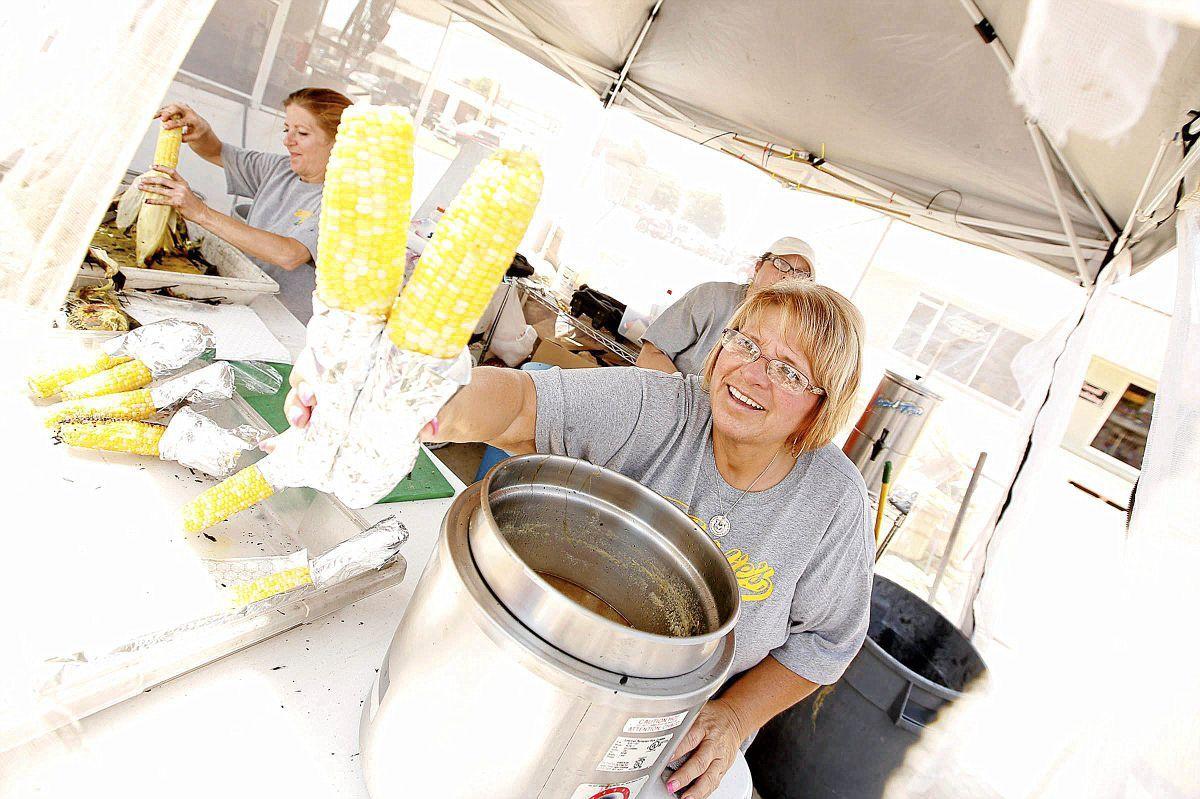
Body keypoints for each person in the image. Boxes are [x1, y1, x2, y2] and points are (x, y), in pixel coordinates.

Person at [282, 279, 872, 799]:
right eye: (745, 341)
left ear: (822, 406)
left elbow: (828, 644)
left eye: (789, 370)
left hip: (662, 725)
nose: (751, 373)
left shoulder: (832, 505)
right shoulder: (660, 406)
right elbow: (518, 407)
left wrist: (737, 718)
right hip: (532, 662)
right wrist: (407, 402)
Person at [140, 88, 353, 322]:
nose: (287, 140)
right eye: (286, 129)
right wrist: (201, 132)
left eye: (301, 133)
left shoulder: (346, 201)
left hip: (285, 323)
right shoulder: (281, 169)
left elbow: (289, 254)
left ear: (339, 142)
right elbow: (217, 153)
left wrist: (200, 212)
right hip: (241, 305)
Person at [637, 236, 817, 376]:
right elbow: (651, 353)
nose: (787, 277)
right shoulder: (711, 297)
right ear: (758, 266)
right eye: (781, 264)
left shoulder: (790, 337)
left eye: (800, 274)